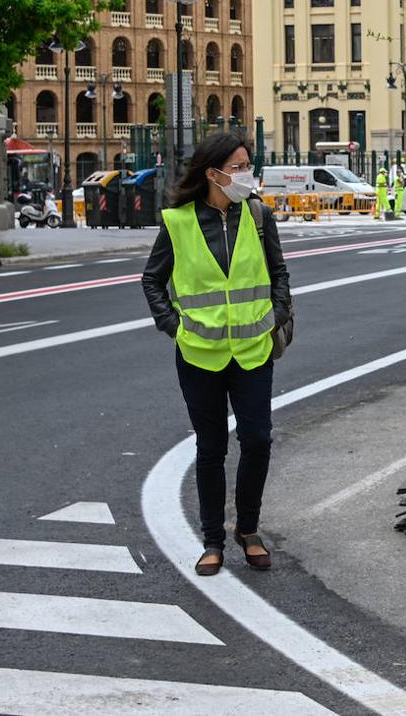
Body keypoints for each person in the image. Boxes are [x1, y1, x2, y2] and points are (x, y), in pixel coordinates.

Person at [141, 133, 293, 576]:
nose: (247, 174)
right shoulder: (178, 222)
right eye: (239, 166)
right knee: (210, 447)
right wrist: (174, 326)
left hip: (252, 349)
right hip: (199, 355)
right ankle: (212, 540)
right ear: (213, 173)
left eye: (248, 165)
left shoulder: (259, 215)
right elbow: (152, 280)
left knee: (258, 439)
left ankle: (248, 528)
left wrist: (276, 316)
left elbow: (279, 272)